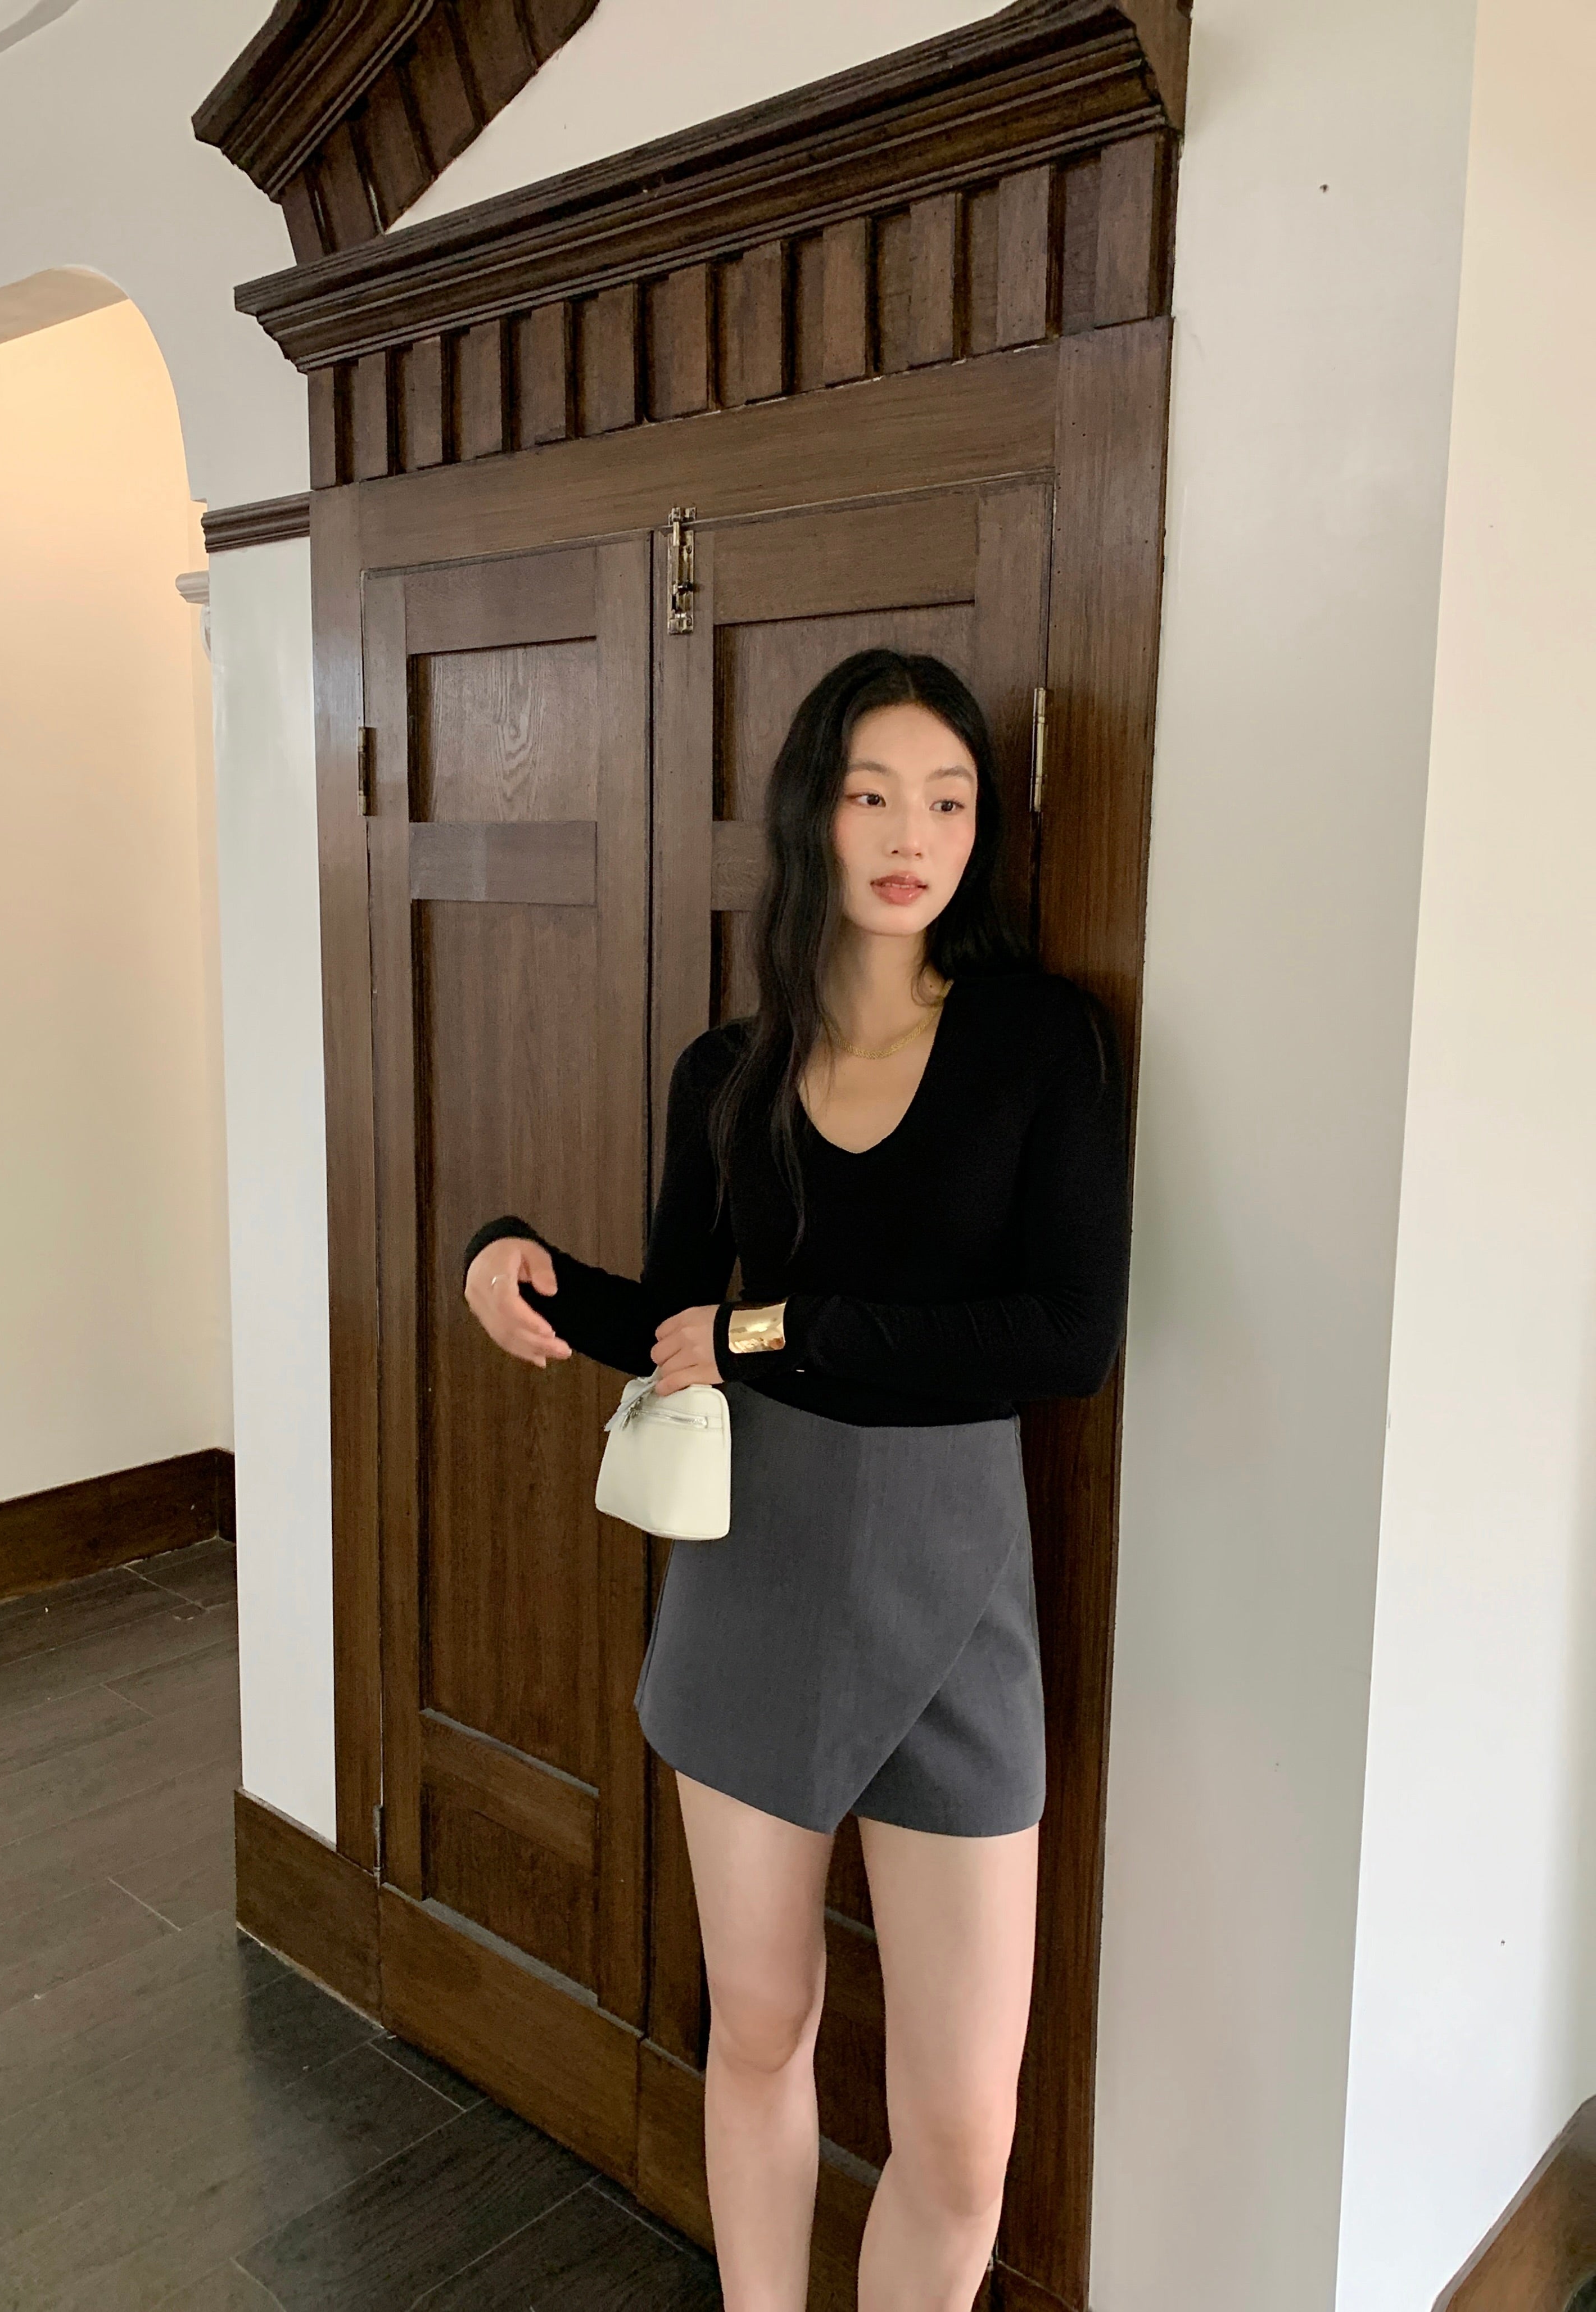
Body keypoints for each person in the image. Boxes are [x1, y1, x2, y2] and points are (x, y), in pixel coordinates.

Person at [461, 649, 1131, 2312]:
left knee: (963, 2132)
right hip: (757, 1576)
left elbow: (1066, 1338)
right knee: (760, 2028)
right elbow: (675, 1326)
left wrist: (787, 1323)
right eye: (871, 795)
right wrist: (510, 1256)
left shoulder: (1040, 1040)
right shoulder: (730, 1072)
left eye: (950, 801)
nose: (914, 836)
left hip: (958, 1590)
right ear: (808, 816)